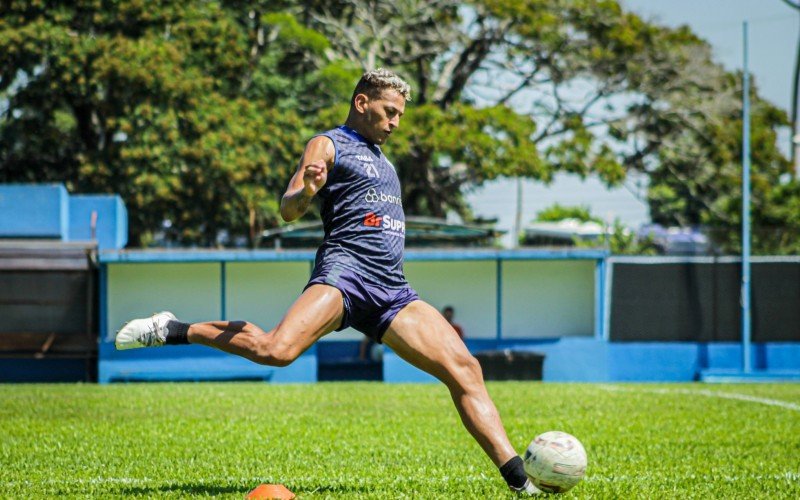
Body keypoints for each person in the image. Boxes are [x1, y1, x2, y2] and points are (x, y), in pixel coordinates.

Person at [115, 68, 539, 495]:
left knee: (465, 369)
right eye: (389, 112)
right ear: (361, 103)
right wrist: (308, 189)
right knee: (276, 351)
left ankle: (522, 484)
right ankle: (173, 329)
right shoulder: (328, 143)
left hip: (392, 289)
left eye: (400, 116)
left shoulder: (383, 158)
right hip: (347, 273)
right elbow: (288, 208)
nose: (395, 123)